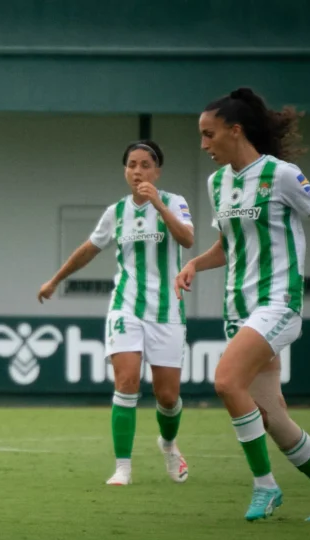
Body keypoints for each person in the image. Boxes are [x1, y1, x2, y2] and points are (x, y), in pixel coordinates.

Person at [176, 87, 310, 522]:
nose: (203, 145)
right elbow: (229, 246)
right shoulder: (217, 182)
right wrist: (194, 266)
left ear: (235, 130)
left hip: (278, 304)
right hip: (237, 310)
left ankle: (265, 487)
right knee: (272, 416)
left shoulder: (281, 175)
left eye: (208, 134)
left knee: (224, 381)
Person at [38, 140, 194, 486]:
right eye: (131, 165)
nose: (137, 171)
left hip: (167, 310)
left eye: (144, 164)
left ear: (157, 170)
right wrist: (54, 280)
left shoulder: (175, 202)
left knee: (168, 397)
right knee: (126, 382)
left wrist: (158, 204)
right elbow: (88, 250)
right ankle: (123, 467)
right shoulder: (116, 212)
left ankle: (168, 444)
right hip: (125, 306)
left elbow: (187, 240)